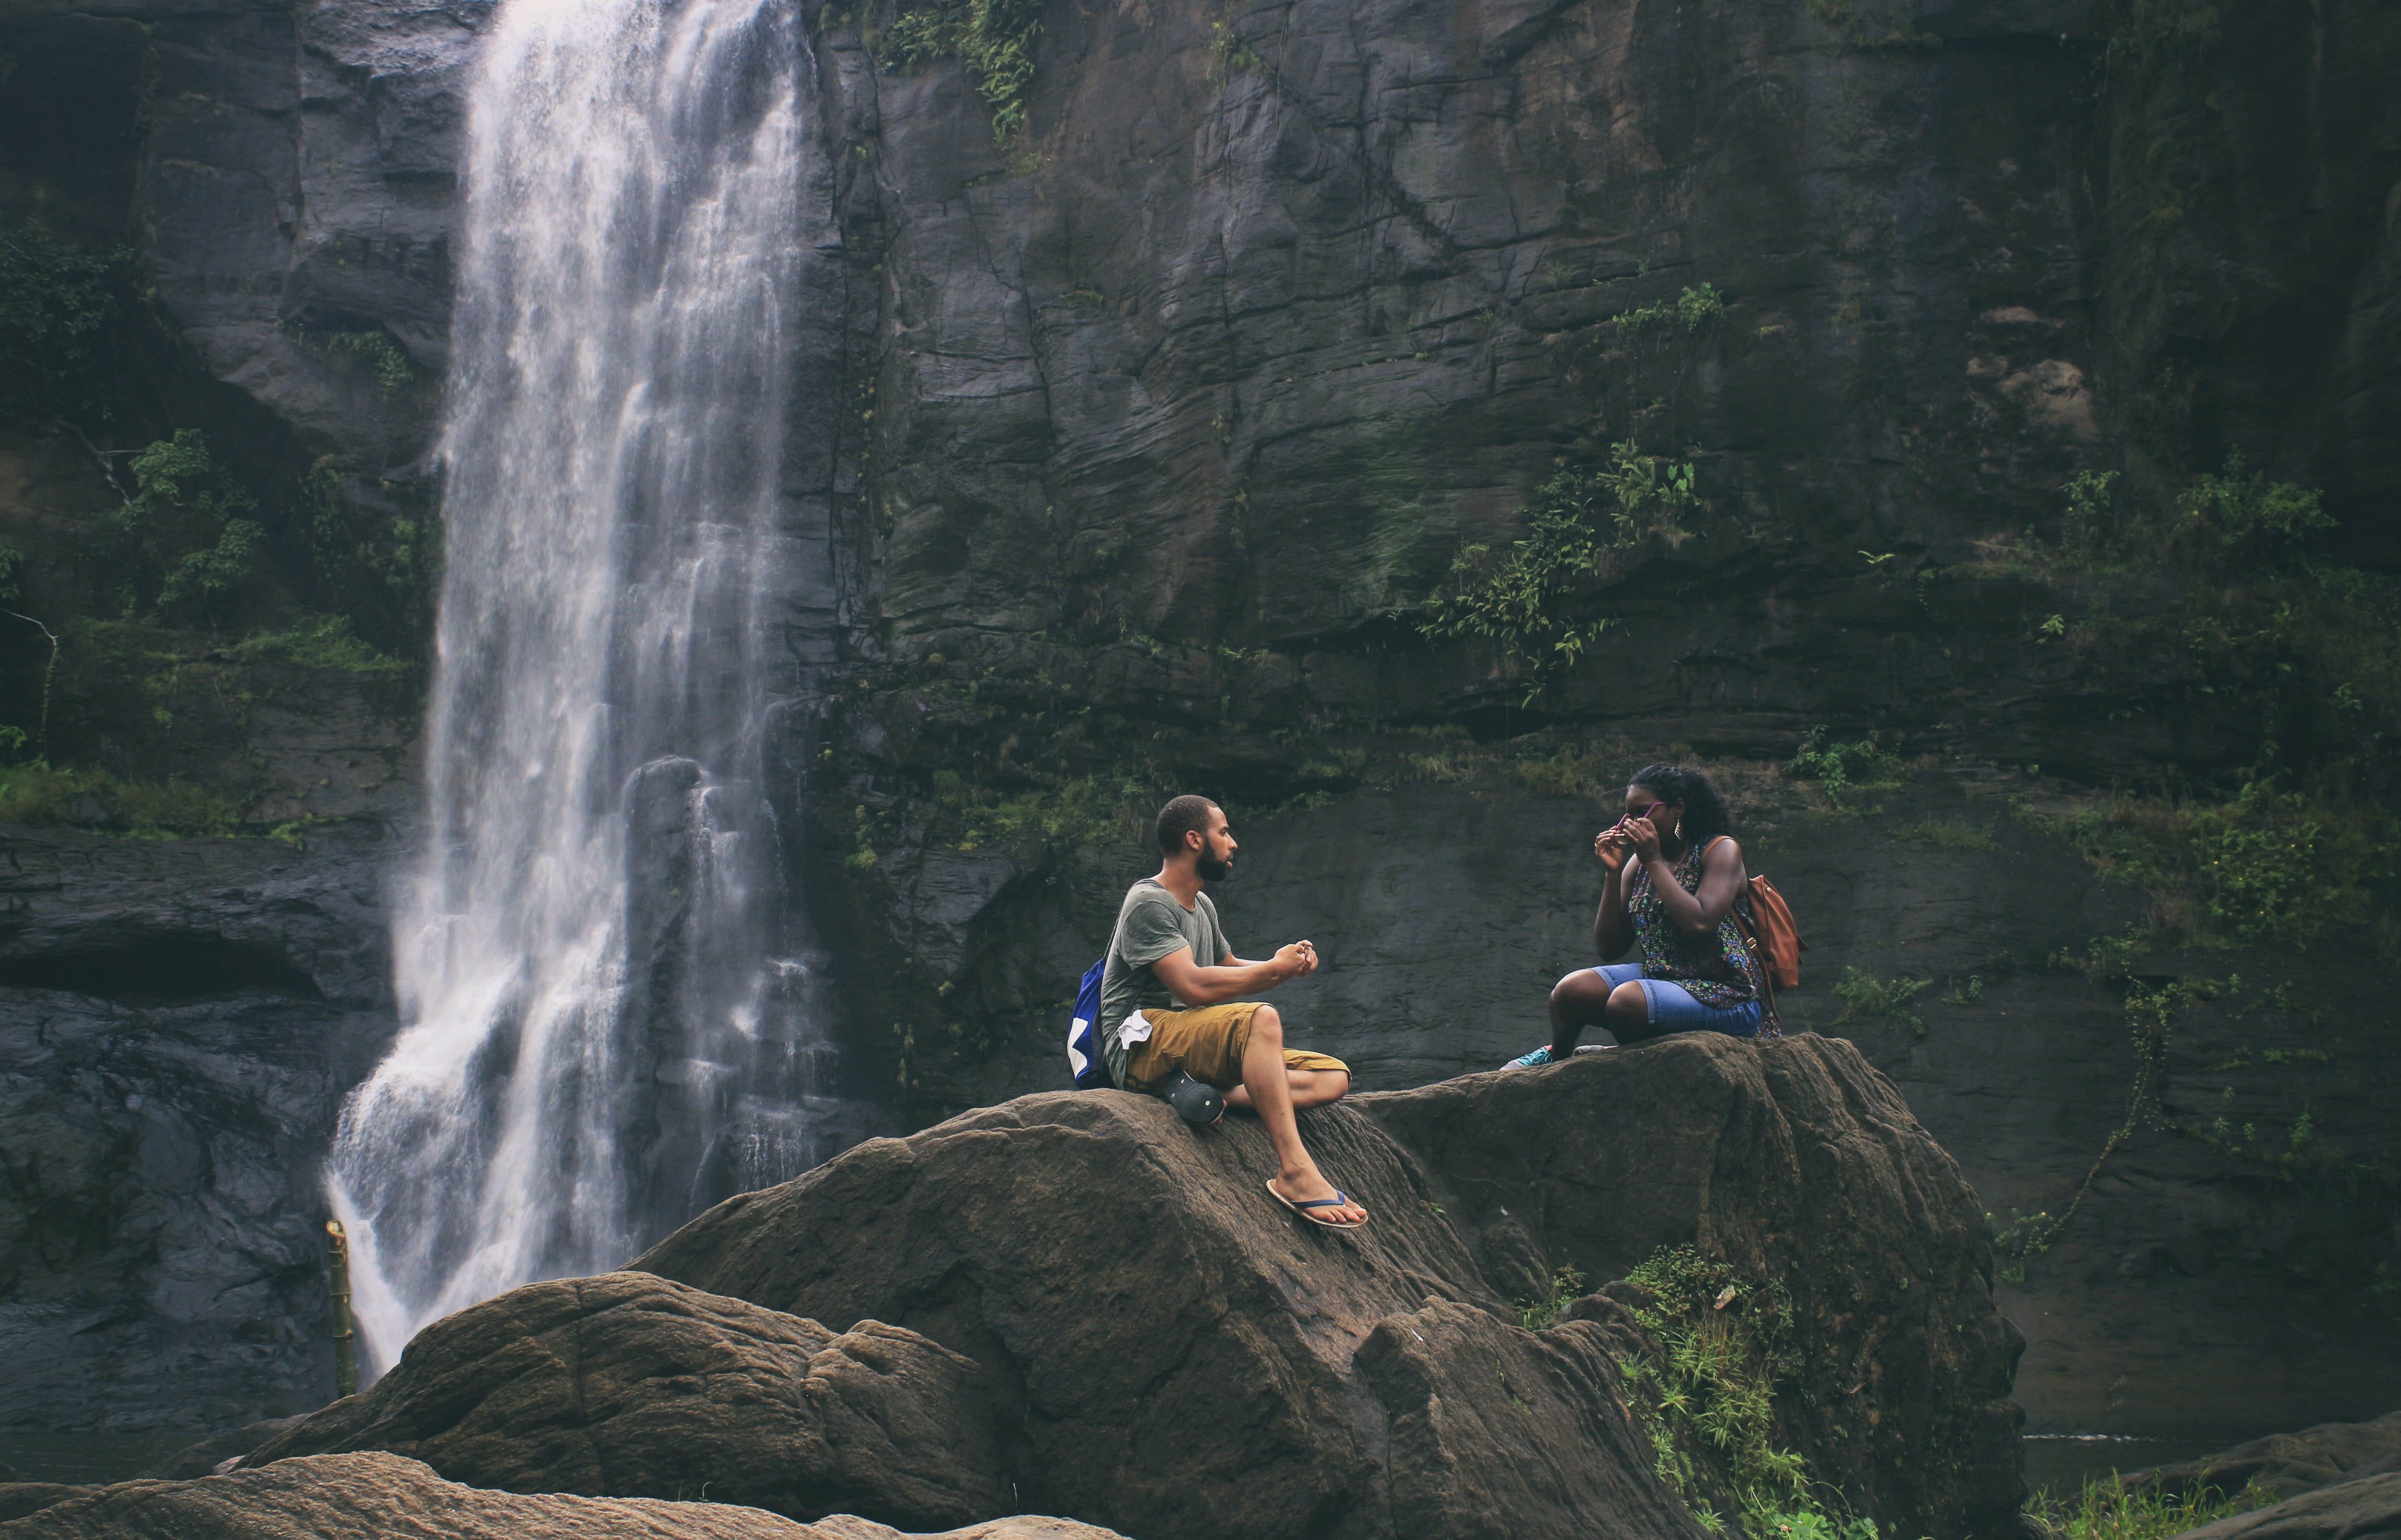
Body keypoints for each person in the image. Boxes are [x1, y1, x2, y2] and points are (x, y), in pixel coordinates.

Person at [1098, 794, 1367, 1227]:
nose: (1233, 843)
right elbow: (1191, 985)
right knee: (1260, 1018)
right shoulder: (1148, 902)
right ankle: (1296, 1173)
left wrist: (1282, 967)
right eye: (1223, 832)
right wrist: (1272, 974)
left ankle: (1199, 1090)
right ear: (1193, 839)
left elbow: (1226, 967)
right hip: (1139, 1040)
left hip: (1184, 1036)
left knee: (1332, 1077)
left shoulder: (1201, 906)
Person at [1507, 763, 1767, 1067]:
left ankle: (1622, 1059)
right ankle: (1558, 1059)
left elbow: (1700, 924)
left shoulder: (1720, 851)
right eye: (1628, 814)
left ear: (1678, 809)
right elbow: (1609, 949)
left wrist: (1654, 861)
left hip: (1727, 995)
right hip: (1664, 978)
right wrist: (1613, 874)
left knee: (1626, 1002)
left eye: (1643, 813)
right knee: (1571, 991)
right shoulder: (1638, 864)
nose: (1630, 824)